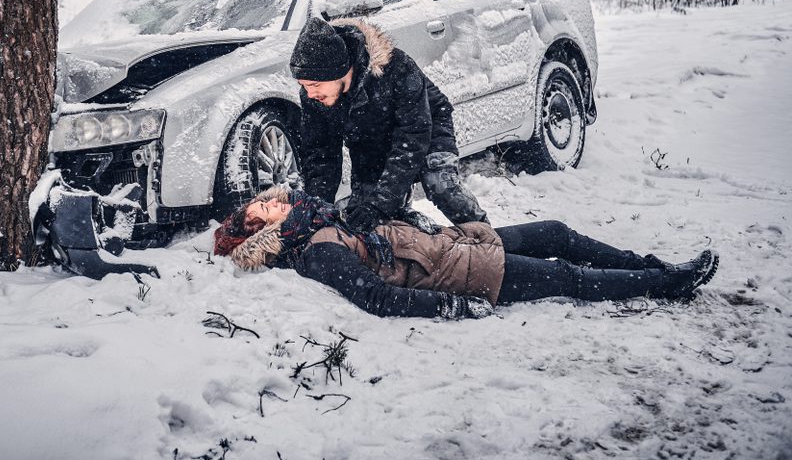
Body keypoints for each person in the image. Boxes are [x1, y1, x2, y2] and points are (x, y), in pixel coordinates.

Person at [213, 186, 719, 320]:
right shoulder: (319, 249)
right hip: (459, 274)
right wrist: (453, 306)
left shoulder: (324, 216)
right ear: (264, 238)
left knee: (556, 232)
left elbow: (395, 218)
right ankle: (667, 284)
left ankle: (651, 266)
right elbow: (375, 298)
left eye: (267, 198)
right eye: (262, 213)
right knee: (562, 274)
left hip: (454, 243)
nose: (271, 203)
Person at [289, 16, 487, 235]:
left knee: (439, 185)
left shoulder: (396, 68)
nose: (309, 93)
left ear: (338, 72)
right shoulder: (315, 96)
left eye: (315, 85)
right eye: (303, 86)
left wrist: (381, 203)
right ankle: (416, 242)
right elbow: (320, 154)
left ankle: (487, 236)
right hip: (369, 139)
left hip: (425, 127)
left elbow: (413, 136)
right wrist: (316, 210)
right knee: (365, 215)